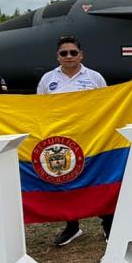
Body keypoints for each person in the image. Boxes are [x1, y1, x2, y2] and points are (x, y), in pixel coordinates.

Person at [36, 35, 110, 246]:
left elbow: (107, 105)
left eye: (73, 52)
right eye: (64, 53)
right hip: (61, 140)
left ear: (81, 55)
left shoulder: (95, 78)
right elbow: (39, 109)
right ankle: (72, 225)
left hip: (91, 136)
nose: (69, 56)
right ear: (57, 56)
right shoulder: (47, 79)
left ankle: (108, 223)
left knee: (97, 177)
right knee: (65, 179)